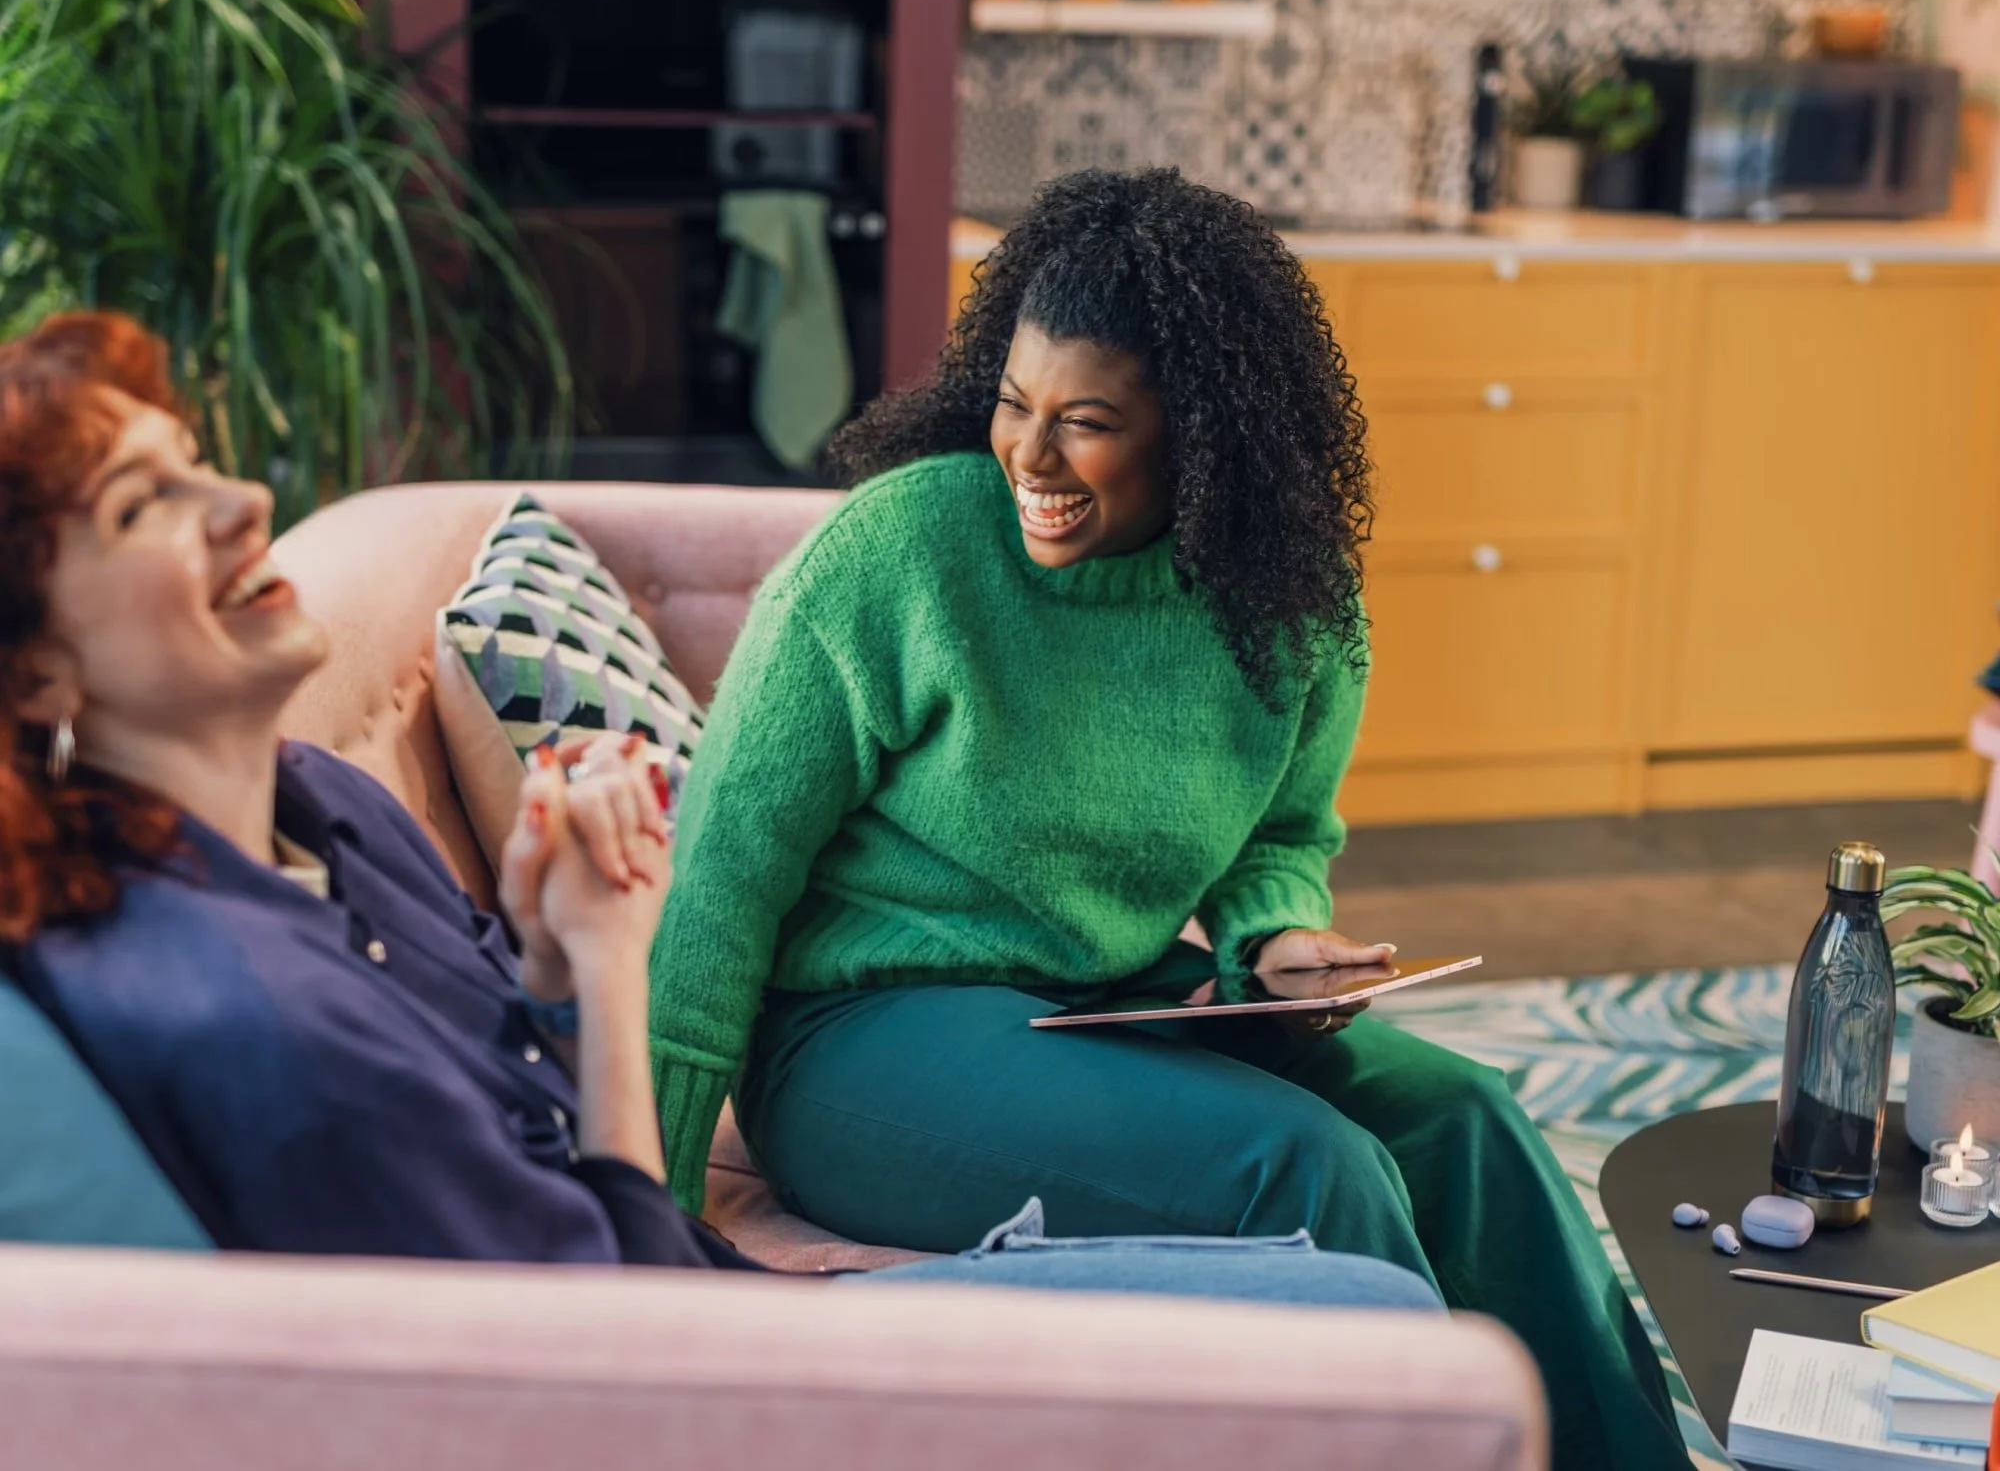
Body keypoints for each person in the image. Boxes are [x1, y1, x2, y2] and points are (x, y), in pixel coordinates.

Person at [0, 308, 1441, 1316]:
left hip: (738, 1280)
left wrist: (564, 957)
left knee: (1429, 1168)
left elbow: (533, 1087)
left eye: (203, 459)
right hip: (728, 1357)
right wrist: (621, 973)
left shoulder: (320, 810)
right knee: (1349, 1281)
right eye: (146, 504)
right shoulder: (226, 1003)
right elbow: (604, 1319)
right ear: (34, 665)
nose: (245, 498)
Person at [649, 169, 1691, 1471]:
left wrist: (1277, 936)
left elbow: (1280, 833)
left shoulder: (1287, 602)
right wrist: (651, 1216)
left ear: (1200, 434)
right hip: (860, 1042)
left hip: (1127, 1002)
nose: (1028, 456)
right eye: (1013, 405)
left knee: (1467, 1123)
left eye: (1084, 422)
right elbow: (719, 880)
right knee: (1312, 1171)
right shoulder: (898, 556)